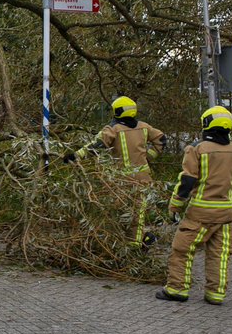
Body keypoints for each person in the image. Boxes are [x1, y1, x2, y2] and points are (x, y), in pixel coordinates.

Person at [157, 105, 232, 305]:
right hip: (226, 213)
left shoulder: (196, 149)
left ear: (206, 124)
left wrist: (175, 206)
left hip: (201, 212)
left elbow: (187, 181)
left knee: (182, 250)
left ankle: (176, 289)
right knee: (219, 254)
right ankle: (216, 294)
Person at [65, 95, 167, 245]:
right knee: (137, 215)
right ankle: (141, 240)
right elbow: (162, 140)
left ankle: (134, 247)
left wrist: (76, 156)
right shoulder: (144, 127)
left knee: (122, 214)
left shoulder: (113, 129)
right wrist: (149, 158)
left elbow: (96, 145)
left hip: (121, 181)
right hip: (143, 179)